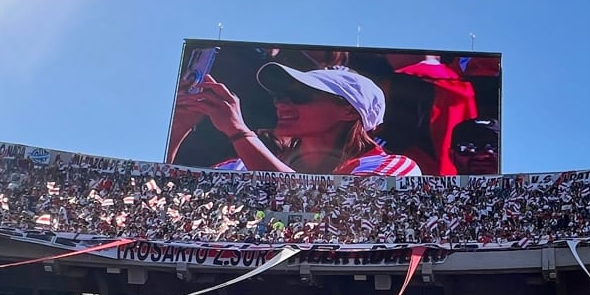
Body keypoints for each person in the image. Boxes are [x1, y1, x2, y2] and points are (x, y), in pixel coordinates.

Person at [175, 64, 423, 176]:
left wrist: (239, 131)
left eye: (300, 96)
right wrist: (179, 126)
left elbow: (328, 208)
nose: (281, 103)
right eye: (279, 96)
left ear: (348, 111)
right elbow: (170, 197)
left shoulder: (393, 168)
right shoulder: (241, 166)